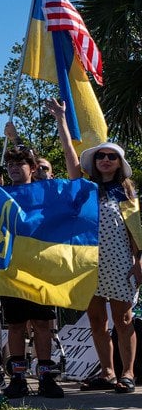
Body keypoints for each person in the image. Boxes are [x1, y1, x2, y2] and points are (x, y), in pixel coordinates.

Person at [52, 99, 141, 394]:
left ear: (119, 164)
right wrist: (62, 119)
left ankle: (127, 373)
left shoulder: (127, 193)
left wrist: (139, 260)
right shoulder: (85, 187)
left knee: (124, 319)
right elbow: (68, 153)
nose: (105, 160)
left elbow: (136, 232)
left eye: (111, 157)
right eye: (101, 156)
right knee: (96, 318)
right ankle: (106, 371)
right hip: (88, 261)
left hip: (120, 263)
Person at [0, 144, 64, 398]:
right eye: (11, 165)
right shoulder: (1, 194)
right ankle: (17, 378)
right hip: (12, 267)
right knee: (15, 325)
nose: (15, 169)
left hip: (39, 267)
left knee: (42, 323)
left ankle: (46, 377)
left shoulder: (46, 193)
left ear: (33, 168)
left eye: (20, 164)